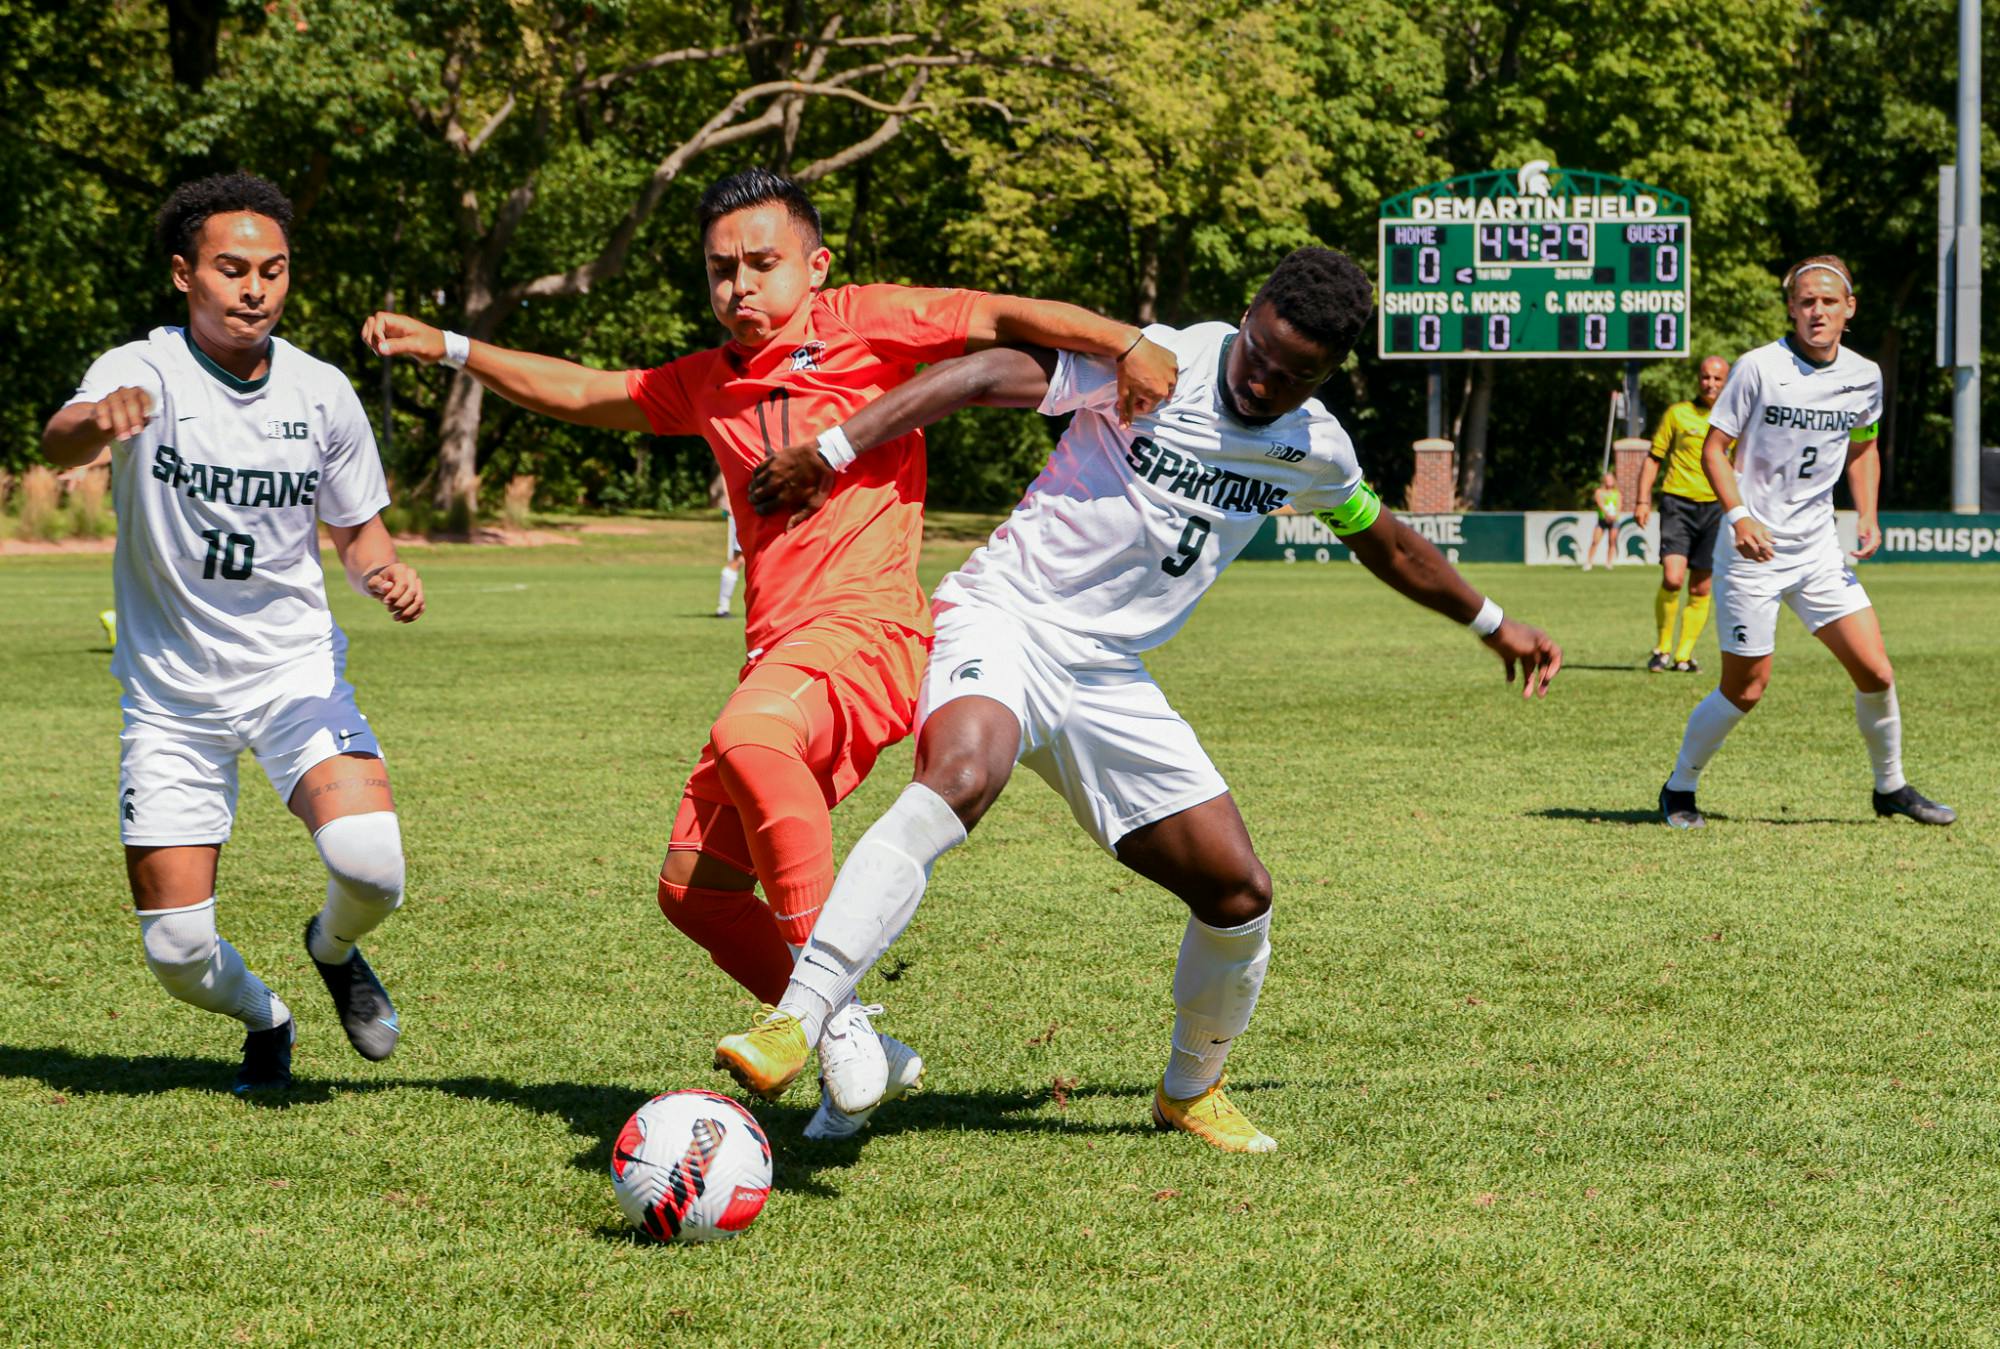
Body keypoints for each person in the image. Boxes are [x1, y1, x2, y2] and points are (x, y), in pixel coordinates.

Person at [363, 167, 1177, 1138]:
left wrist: (1129, 343)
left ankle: (816, 1023)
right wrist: (449, 345)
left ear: (813, 263)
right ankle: (859, 1025)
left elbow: (1007, 314)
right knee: (695, 890)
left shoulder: (864, 320)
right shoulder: (709, 380)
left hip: (869, 630)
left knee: (751, 736)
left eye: (761, 263)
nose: (739, 285)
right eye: (720, 270)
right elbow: (585, 392)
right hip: (780, 650)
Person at [715, 247, 1563, 1152]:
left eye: (1294, 374)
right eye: (1260, 350)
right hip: (1007, 617)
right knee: (963, 772)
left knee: (1238, 892)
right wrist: (834, 450)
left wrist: (1493, 622)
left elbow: (1384, 541)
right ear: (1249, 314)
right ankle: (799, 1019)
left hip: (1110, 677)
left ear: (1326, 375)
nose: (1264, 379)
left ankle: (1189, 1090)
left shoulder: (1313, 448)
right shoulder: (1160, 358)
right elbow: (978, 374)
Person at [41, 172, 424, 1095]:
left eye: (273, 270)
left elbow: (356, 529)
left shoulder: (322, 391)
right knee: (176, 949)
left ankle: (331, 950)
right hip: (170, 698)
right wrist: (98, 419)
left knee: (371, 867)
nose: (254, 288)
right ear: (185, 274)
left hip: (292, 671)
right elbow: (59, 438)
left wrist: (384, 572)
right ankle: (266, 1014)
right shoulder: (141, 369)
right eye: (231, 268)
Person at [1659, 256, 1953, 830]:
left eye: (1827, 301)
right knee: (1746, 688)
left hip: (1817, 551)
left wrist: (1866, 513)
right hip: (1752, 553)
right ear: (1792, 309)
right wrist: (1739, 516)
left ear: (1850, 308)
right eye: (1805, 302)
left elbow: (1864, 447)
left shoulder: (1865, 374)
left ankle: (1890, 786)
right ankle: (1679, 787)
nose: (1816, 311)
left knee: (1876, 672)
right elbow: (1714, 449)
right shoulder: (1757, 368)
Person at [1635, 357, 1730, 672]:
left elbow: (1742, 463)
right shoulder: (1677, 414)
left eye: (1717, 379)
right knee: (1673, 578)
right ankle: (1662, 648)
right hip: (1678, 503)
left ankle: (1684, 655)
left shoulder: (1735, 418)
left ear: (1727, 381)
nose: (1711, 384)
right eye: (1706, 377)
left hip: (1716, 507)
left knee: (1701, 587)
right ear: (1698, 379)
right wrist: (1642, 500)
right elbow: (1653, 459)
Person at [713, 476, 745, 618]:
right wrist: (730, 503)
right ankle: (723, 607)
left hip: (751, 510)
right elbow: (726, 474)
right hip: (742, 510)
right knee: (739, 559)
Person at [1582, 471, 1620, 571]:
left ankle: (1609, 563)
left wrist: (1614, 516)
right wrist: (1607, 514)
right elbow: (1600, 504)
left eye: (1611, 479)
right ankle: (1589, 562)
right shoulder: (1599, 492)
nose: (1609, 481)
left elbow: (1619, 507)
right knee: (1595, 541)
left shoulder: (1617, 493)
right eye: (1607, 479)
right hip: (1602, 520)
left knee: (1612, 541)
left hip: (1614, 520)